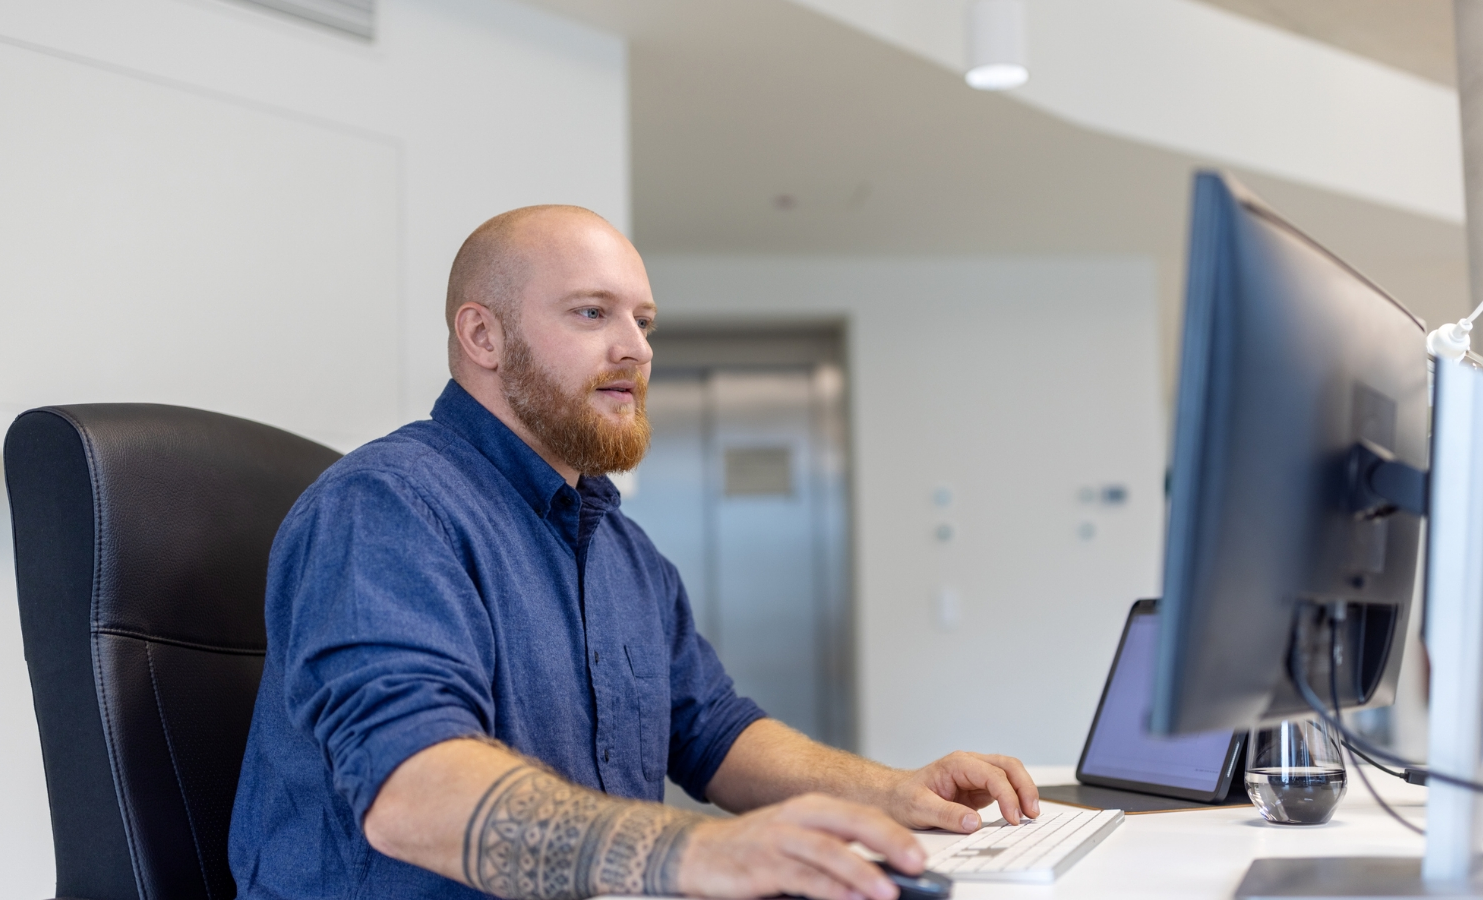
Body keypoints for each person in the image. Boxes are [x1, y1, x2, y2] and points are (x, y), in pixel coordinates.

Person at [228, 205, 1041, 900]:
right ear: (482, 334)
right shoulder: (385, 507)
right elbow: (414, 791)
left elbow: (715, 733)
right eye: (592, 314)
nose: (638, 349)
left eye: (643, 322)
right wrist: (696, 852)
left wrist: (892, 790)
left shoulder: (621, 548)